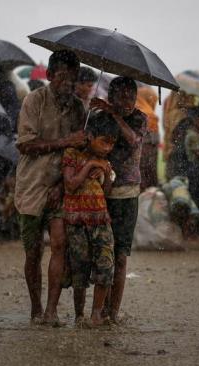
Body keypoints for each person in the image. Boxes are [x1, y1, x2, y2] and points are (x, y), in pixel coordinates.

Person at [15, 50, 86, 324]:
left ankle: (51, 310)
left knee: (60, 244)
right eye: (63, 77)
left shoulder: (79, 108)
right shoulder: (34, 101)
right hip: (31, 187)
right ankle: (36, 308)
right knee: (33, 252)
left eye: (74, 78)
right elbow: (25, 144)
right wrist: (65, 141)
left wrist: (61, 184)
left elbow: (80, 149)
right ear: (50, 75)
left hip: (61, 188)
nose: (69, 83)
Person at [90, 76, 147, 323]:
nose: (127, 102)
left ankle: (112, 313)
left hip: (126, 195)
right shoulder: (97, 119)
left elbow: (133, 140)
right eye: (121, 97)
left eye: (130, 97)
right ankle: (96, 310)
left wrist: (115, 114)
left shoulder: (139, 118)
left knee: (121, 256)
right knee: (101, 254)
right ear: (111, 96)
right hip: (99, 194)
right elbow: (88, 145)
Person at [62, 112, 118, 326]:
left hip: (101, 220)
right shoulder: (72, 155)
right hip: (77, 222)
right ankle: (79, 315)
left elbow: (107, 191)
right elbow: (70, 185)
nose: (108, 148)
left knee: (105, 265)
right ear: (90, 136)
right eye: (104, 141)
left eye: (112, 144)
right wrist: (89, 166)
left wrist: (106, 173)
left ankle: (96, 313)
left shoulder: (105, 161)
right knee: (80, 269)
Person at [135, 85, 159, 190]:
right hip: (145, 153)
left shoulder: (135, 109)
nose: (154, 101)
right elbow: (151, 141)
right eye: (153, 99)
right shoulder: (148, 114)